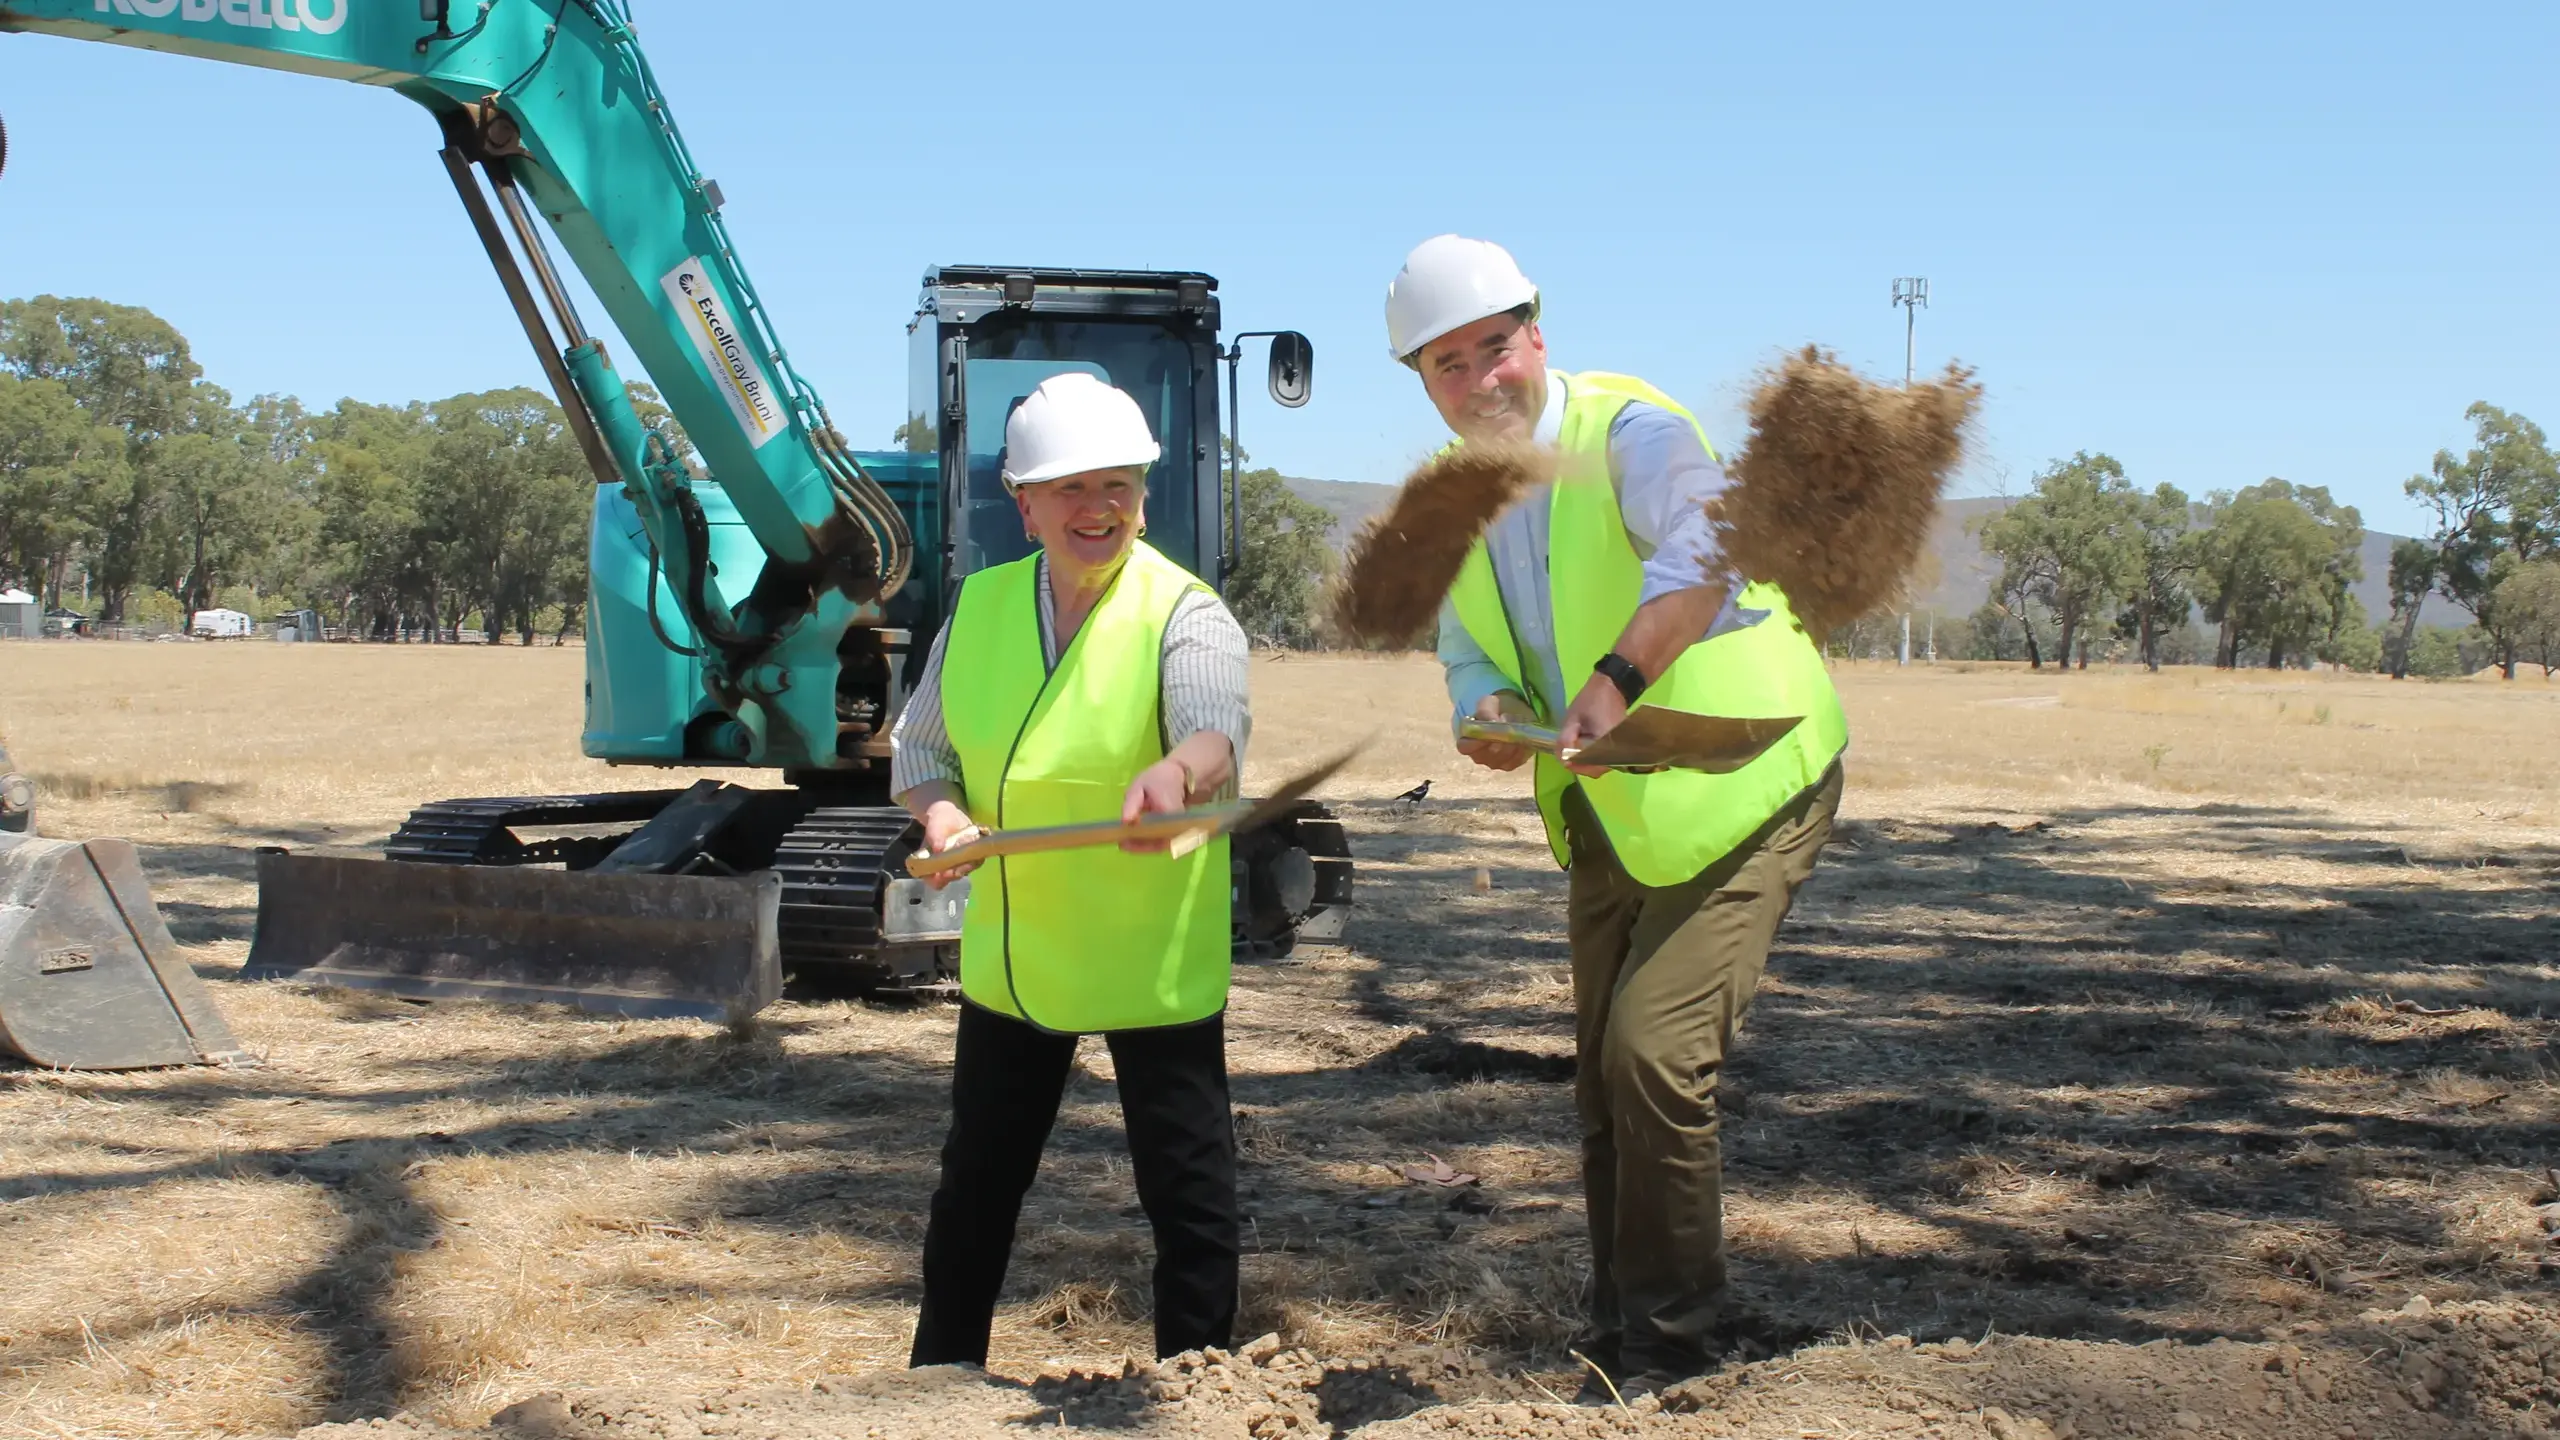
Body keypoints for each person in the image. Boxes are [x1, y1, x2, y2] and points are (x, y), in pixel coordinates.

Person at [1384, 235, 1849, 1397]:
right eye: (1447, 365)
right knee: (1601, 1077)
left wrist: (1614, 678)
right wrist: (1481, 704)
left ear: (1535, 333)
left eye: (1495, 347)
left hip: (1743, 780)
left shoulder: (1635, 432)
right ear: (1423, 384)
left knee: (1653, 1055)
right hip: (1613, 807)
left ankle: (1677, 1358)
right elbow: (1464, 645)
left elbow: (1704, 555)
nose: (1481, 379)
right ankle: (1617, 1338)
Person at [892, 371, 1250, 1368]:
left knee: (1185, 1192)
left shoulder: (1187, 611)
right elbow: (920, 753)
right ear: (1026, 504)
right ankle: (941, 1379)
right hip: (1018, 953)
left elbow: (1213, 731)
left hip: (1149, 957)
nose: (1098, 511)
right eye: (1072, 490)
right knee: (976, 1185)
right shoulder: (979, 606)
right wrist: (945, 809)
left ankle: (1197, 1390)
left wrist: (1178, 775)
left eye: (1119, 487)